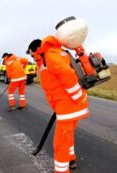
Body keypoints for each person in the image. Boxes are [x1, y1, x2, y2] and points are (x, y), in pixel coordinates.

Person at [27, 36, 89, 173]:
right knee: (68, 135)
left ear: (37, 49)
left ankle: (61, 170)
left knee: (60, 142)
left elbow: (65, 73)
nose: (33, 58)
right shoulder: (48, 56)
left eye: (33, 54)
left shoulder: (50, 55)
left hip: (69, 106)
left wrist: (77, 96)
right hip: (67, 106)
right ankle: (71, 159)